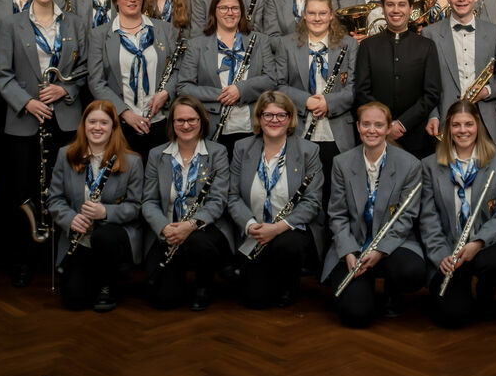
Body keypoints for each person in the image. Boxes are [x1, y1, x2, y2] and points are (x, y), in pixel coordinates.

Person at [0, 0, 88, 287]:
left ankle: (64, 258)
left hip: (65, 120)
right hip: (25, 120)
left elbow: (85, 68)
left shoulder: (75, 23)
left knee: (67, 190)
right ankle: (23, 260)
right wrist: (26, 102)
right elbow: (1, 74)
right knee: (24, 192)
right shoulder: (11, 24)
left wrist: (65, 89)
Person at [323, 101, 427, 327]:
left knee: (412, 272)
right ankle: (364, 284)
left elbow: (406, 217)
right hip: (354, 244)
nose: (372, 130)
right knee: (356, 315)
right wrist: (348, 252)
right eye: (366, 124)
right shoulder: (341, 163)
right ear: (358, 127)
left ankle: (392, 288)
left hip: (392, 245)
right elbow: (337, 215)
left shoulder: (410, 164)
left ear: (389, 128)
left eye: (379, 125)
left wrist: (380, 251)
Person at [419, 100, 496, 327]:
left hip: (485, 246)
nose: (462, 130)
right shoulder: (430, 165)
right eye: (456, 125)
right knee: (452, 317)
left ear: (478, 126)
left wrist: (479, 242)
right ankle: (460, 283)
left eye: (468, 124)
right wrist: (440, 255)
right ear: (448, 128)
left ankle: (486, 289)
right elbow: (428, 218)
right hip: (449, 247)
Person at [227, 91, 325, 308]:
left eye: (281, 115)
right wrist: (250, 225)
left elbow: (312, 202)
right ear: (259, 118)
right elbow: (233, 196)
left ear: (290, 118)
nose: (274, 120)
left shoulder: (308, 151)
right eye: (268, 115)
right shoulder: (242, 148)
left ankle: (289, 284)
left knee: (288, 245)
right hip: (254, 232)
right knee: (254, 300)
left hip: (289, 231)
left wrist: (278, 228)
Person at [47, 100, 143, 312]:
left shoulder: (131, 161)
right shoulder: (66, 154)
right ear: (84, 125)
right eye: (92, 122)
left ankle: (109, 283)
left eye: (104, 122)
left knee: (104, 236)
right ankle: (94, 276)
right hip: (80, 236)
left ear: (113, 127)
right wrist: (70, 218)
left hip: (112, 237)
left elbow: (135, 207)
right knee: (75, 300)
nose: (97, 127)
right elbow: (54, 199)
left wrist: (105, 212)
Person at [142, 95, 234, 311]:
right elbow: (148, 201)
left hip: (203, 228)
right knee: (162, 300)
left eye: (192, 120)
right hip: (168, 230)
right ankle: (178, 277)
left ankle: (204, 284)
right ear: (172, 123)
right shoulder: (157, 155)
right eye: (180, 120)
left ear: (202, 121)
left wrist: (190, 225)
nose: (186, 125)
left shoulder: (216, 153)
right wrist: (164, 228)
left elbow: (217, 200)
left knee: (197, 242)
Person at [87, 0, 181, 159]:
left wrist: (166, 93)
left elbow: (179, 69)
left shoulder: (164, 29)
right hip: (120, 124)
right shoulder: (99, 35)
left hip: (160, 120)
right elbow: (96, 82)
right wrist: (125, 113)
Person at [177, 0, 279, 155]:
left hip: (252, 126)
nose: (230, 12)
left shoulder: (260, 40)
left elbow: (271, 79)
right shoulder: (197, 45)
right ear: (214, 12)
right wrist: (222, 95)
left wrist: (241, 90)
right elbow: (184, 87)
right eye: (223, 8)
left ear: (241, 12)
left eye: (235, 8)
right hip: (213, 126)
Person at [277, 0, 358, 194]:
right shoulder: (287, 44)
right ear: (304, 15)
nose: (317, 18)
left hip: (337, 132)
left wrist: (328, 103)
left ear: (331, 15)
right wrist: (306, 101)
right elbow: (278, 85)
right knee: (301, 192)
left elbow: (354, 87)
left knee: (336, 193)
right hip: (301, 130)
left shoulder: (348, 44)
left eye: (322, 13)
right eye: (312, 13)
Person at [354, 0, 443, 157]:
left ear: (411, 9)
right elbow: (362, 90)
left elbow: (432, 93)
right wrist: (384, 124)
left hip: (416, 136)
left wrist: (402, 123)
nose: (396, 10)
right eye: (390, 4)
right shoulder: (368, 46)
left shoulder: (426, 46)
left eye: (401, 4)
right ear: (383, 9)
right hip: (376, 134)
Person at [423, 0, 496, 145]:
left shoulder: (495, 32)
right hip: (446, 117)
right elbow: (425, 82)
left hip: (485, 118)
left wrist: (488, 91)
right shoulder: (430, 34)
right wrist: (433, 115)